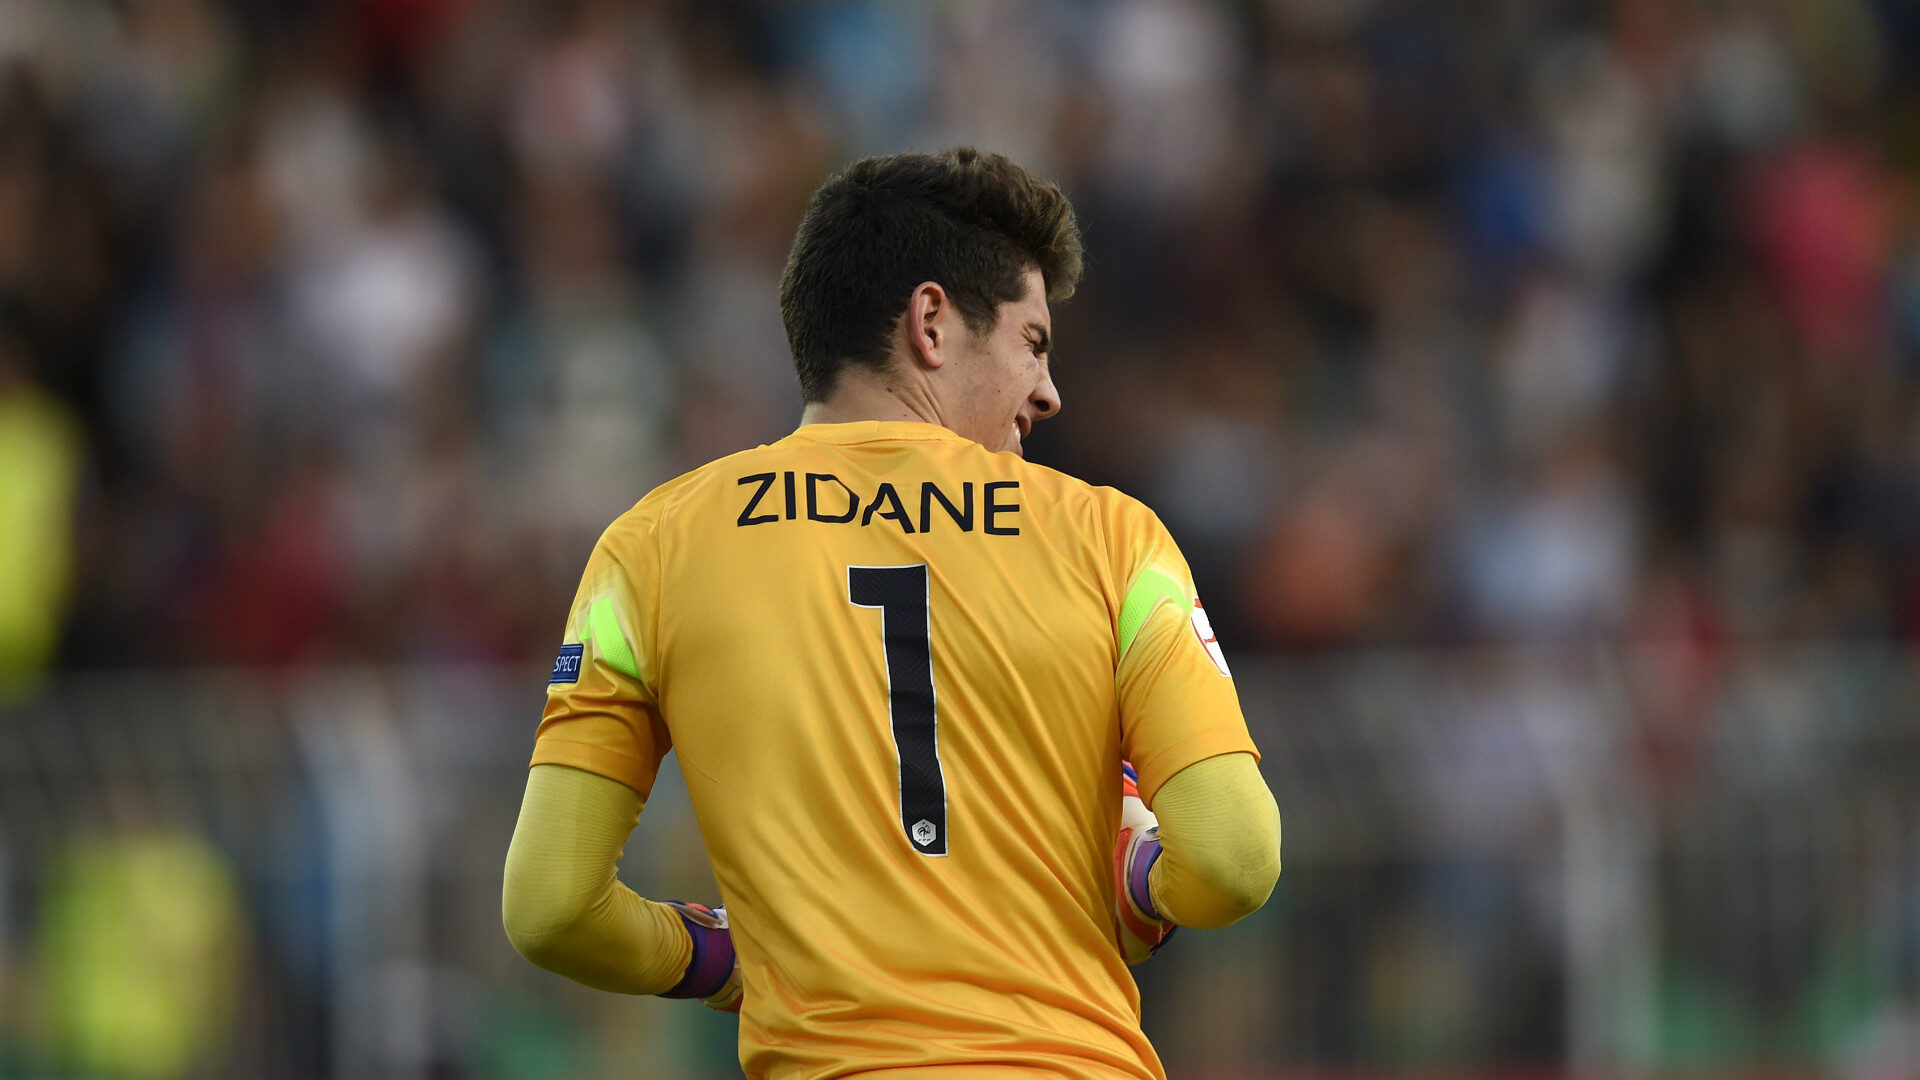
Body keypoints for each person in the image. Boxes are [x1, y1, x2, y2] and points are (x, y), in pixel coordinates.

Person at [502, 147, 1281, 1079]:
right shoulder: (1111, 539)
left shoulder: (652, 547)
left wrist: (724, 961)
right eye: (1033, 343)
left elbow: (550, 906)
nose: (1048, 390)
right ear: (932, 322)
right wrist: (1139, 877)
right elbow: (1234, 858)